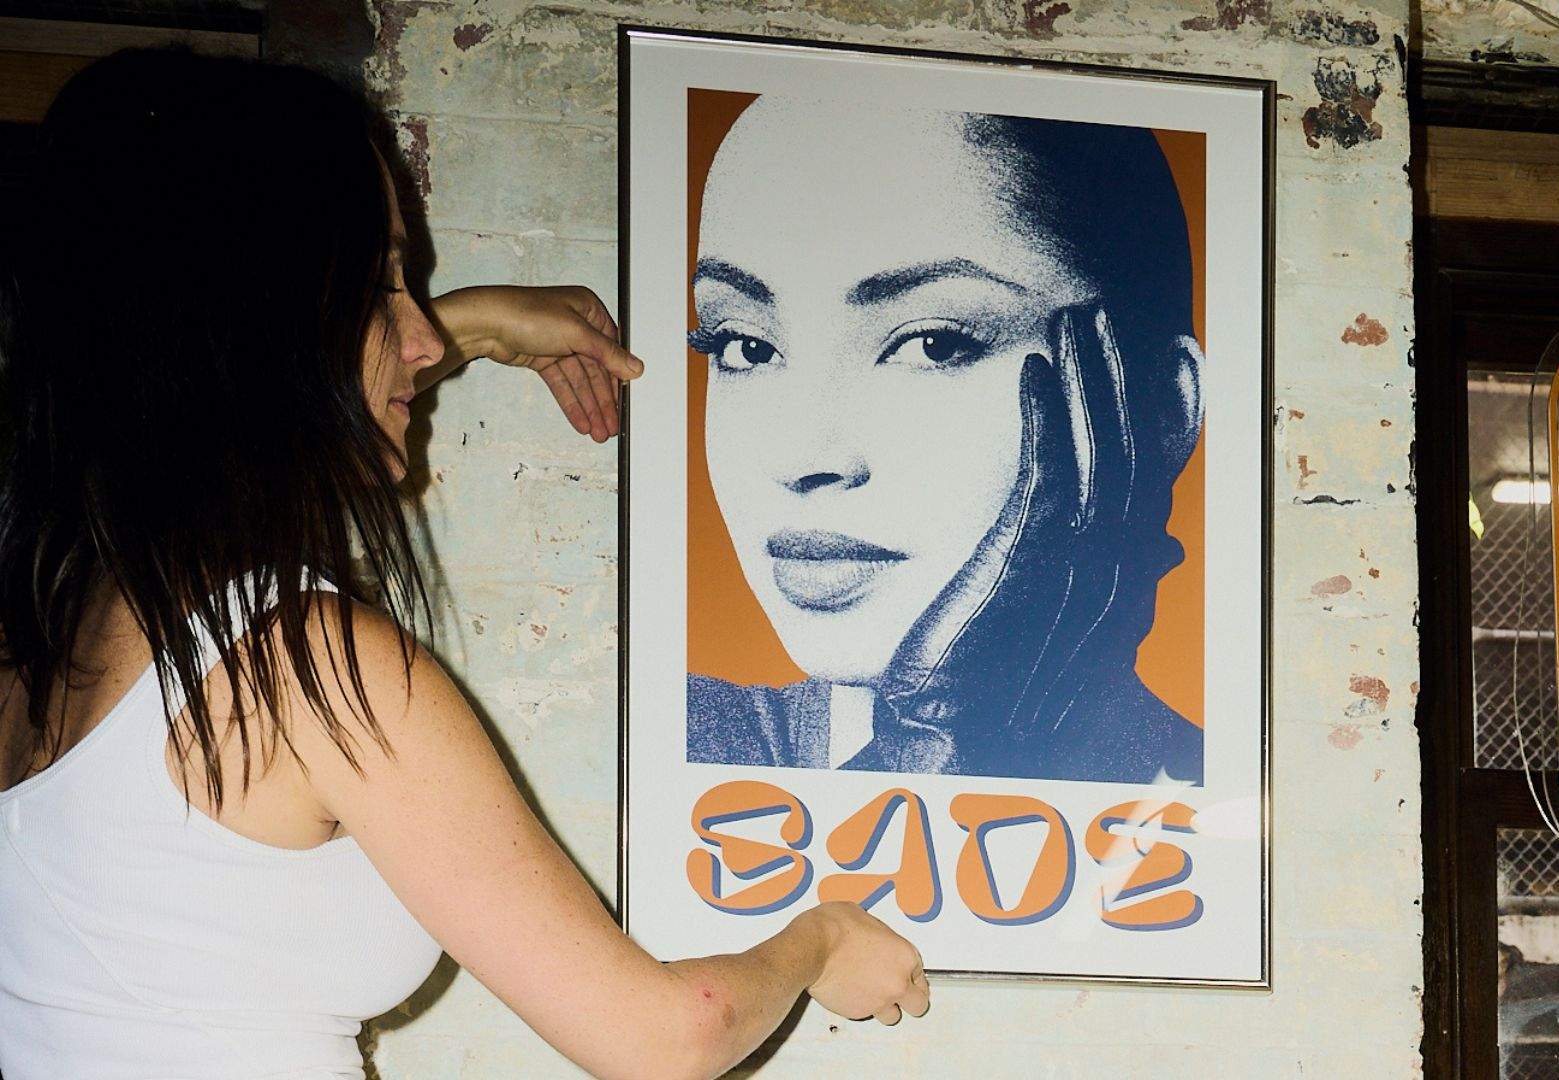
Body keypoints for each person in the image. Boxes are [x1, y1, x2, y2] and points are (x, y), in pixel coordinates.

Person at [0, 49, 927, 1080]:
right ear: (253, 318)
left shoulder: (40, 639)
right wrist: (821, 941)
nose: (421, 338)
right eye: (382, 283)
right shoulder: (310, 667)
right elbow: (668, 1036)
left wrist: (473, 324)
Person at [685, 98, 1206, 784]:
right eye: (745, 346)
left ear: (1163, 408)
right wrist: (939, 744)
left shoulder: (1246, 799)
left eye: (933, 344)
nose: (801, 460)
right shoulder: (656, 737)